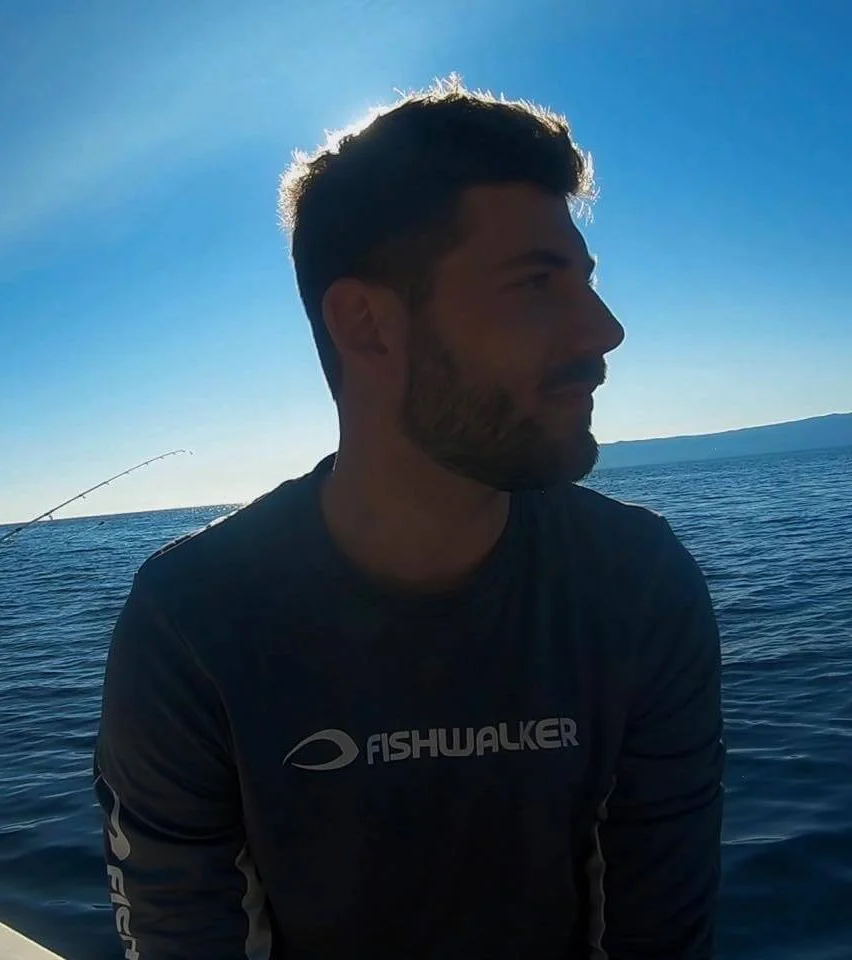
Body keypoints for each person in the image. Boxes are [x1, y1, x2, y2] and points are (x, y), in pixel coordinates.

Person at [93, 77, 724, 960]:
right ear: (368, 325)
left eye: (586, 281)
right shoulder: (191, 621)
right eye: (536, 284)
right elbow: (182, 935)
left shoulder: (638, 581)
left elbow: (659, 929)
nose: (603, 331)